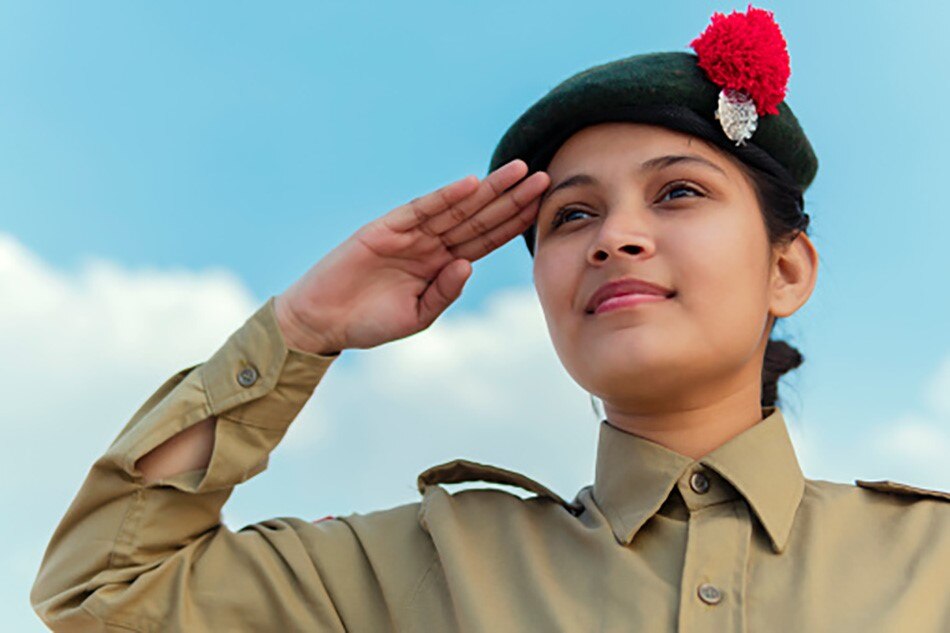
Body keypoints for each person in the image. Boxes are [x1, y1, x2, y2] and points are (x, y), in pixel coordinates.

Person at [31, 6, 948, 632]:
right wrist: (301, 330)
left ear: (787, 268)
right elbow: (101, 594)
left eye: (677, 193)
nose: (616, 238)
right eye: (573, 216)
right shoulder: (423, 563)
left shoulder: (930, 559)